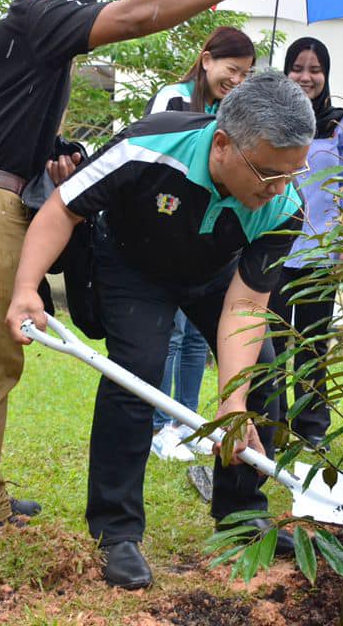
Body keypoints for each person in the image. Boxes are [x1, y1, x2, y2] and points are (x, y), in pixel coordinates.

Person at [0, 0, 283, 538]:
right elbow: (136, 16)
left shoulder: (43, 38)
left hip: (3, 189)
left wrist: (55, 153)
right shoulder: (34, 14)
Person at [6, 70, 314, 589]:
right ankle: (116, 531)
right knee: (137, 372)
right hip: (132, 266)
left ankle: (241, 513)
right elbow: (63, 209)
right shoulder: (147, 147)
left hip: (213, 273)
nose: (279, 188)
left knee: (258, 375)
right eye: (267, 174)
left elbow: (245, 306)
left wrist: (232, 402)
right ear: (222, 145)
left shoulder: (282, 205)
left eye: (292, 172)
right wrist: (25, 289)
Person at [145, 26, 256, 462]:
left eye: (246, 74)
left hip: (208, 247)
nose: (237, 80)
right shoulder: (172, 98)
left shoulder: (229, 112)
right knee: (171, 335)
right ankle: (159, 425)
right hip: (167, 236)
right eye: (232, 69)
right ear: (206, 59)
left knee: (195, 339)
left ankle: (188, 422)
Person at [266, 36, 343, 446]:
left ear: (326, 75)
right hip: (272, 250)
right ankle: (272, 421)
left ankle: (312, 425)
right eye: (297, 68)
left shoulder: (338, 125)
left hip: (321, 253)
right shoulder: (269, 120)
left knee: (313, 345)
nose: (306, 77)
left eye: (315, 70)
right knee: (271, 344)